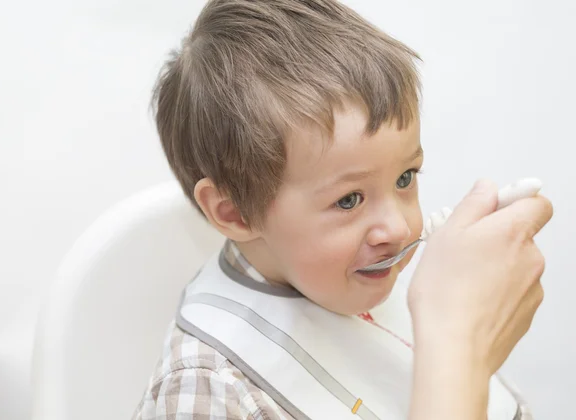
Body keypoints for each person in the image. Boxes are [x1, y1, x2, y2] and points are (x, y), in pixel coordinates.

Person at [132, 1, 553, 419]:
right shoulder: (208, 390)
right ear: (236, 212)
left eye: (405, 178)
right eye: (349, 200)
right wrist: (457, 348)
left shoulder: (375, 279)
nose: (399, 227)